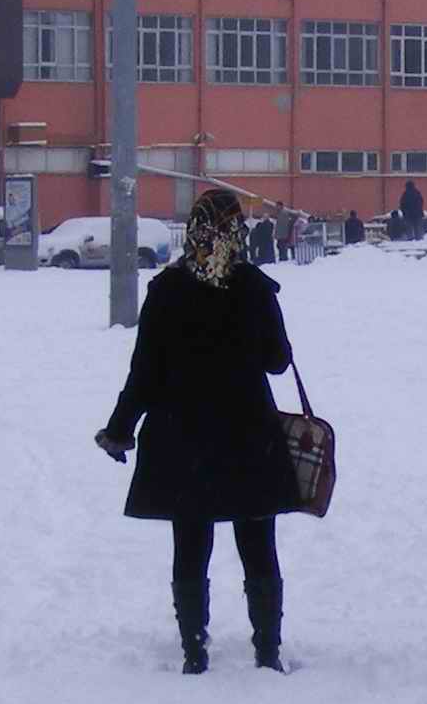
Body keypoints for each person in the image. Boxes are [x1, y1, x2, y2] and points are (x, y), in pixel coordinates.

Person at [95, 189, 301, 674]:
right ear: (237, 230)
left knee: (191, 546)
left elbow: (143, 373)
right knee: (258, 546)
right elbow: (277, 362)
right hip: (248, 436)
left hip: (181, 437)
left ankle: (194, 651)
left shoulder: (167, 290)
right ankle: (267, 652)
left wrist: (120, 430)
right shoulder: (253, 287)